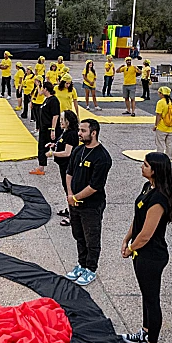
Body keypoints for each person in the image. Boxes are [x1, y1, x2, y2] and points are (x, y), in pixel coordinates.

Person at [119, 152, 172, 343]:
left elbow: (147, 233)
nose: (141, 167)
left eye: (145, 165)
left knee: (152, 299)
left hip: (152, 256)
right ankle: (145, 331)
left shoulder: (159, 198)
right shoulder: (147, 188)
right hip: (141, 253)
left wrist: (131, 248)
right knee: (146, 295)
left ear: (155, 170)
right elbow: (138, 219)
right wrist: (126, 239)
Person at [64, 119, 112, 286]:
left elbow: (94, 186)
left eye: (83, 131)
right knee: (78, 235)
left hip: (91, 206)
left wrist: (76, 197)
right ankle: (81, 264)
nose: (79, 133)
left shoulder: (103, 157)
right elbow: (69, 174)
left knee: (91, 238)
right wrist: (70, 195)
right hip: (74, 203)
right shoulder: (78, 150)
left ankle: (90, 269)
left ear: (94, 133)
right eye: (79, 130)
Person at [47, 110, 80, 226]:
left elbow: (67, 153)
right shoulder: (65, 132)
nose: (60, 122)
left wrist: (53, 154)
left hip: (68, 166)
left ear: (68, 121)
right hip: (63, 166)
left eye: (62, 120)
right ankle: (69, 208)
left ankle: (73, 215)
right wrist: (54, 145)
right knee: (66, 188)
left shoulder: (71, 134)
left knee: (70, 189)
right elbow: (62, 143)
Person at [30, 81, 61, 176]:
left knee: (55, 146)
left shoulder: (53, 100)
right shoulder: (46, 99)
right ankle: (41, 167)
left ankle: (41, 167)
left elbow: (55, 115)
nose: (41, 90)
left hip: (49, 128)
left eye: (42, 88)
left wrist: (53, 129)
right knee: (42, 147)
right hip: (44, 128)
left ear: (46, 89)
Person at [153, 86, 172, 159]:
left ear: (162, 94)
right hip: (171, 127)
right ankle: (169, 157)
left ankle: (160, 157)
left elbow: (158, 115)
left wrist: (155, 125)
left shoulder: (160, 102)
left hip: (162, 126)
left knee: (160, 143)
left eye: (159, 92)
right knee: (169, 144)